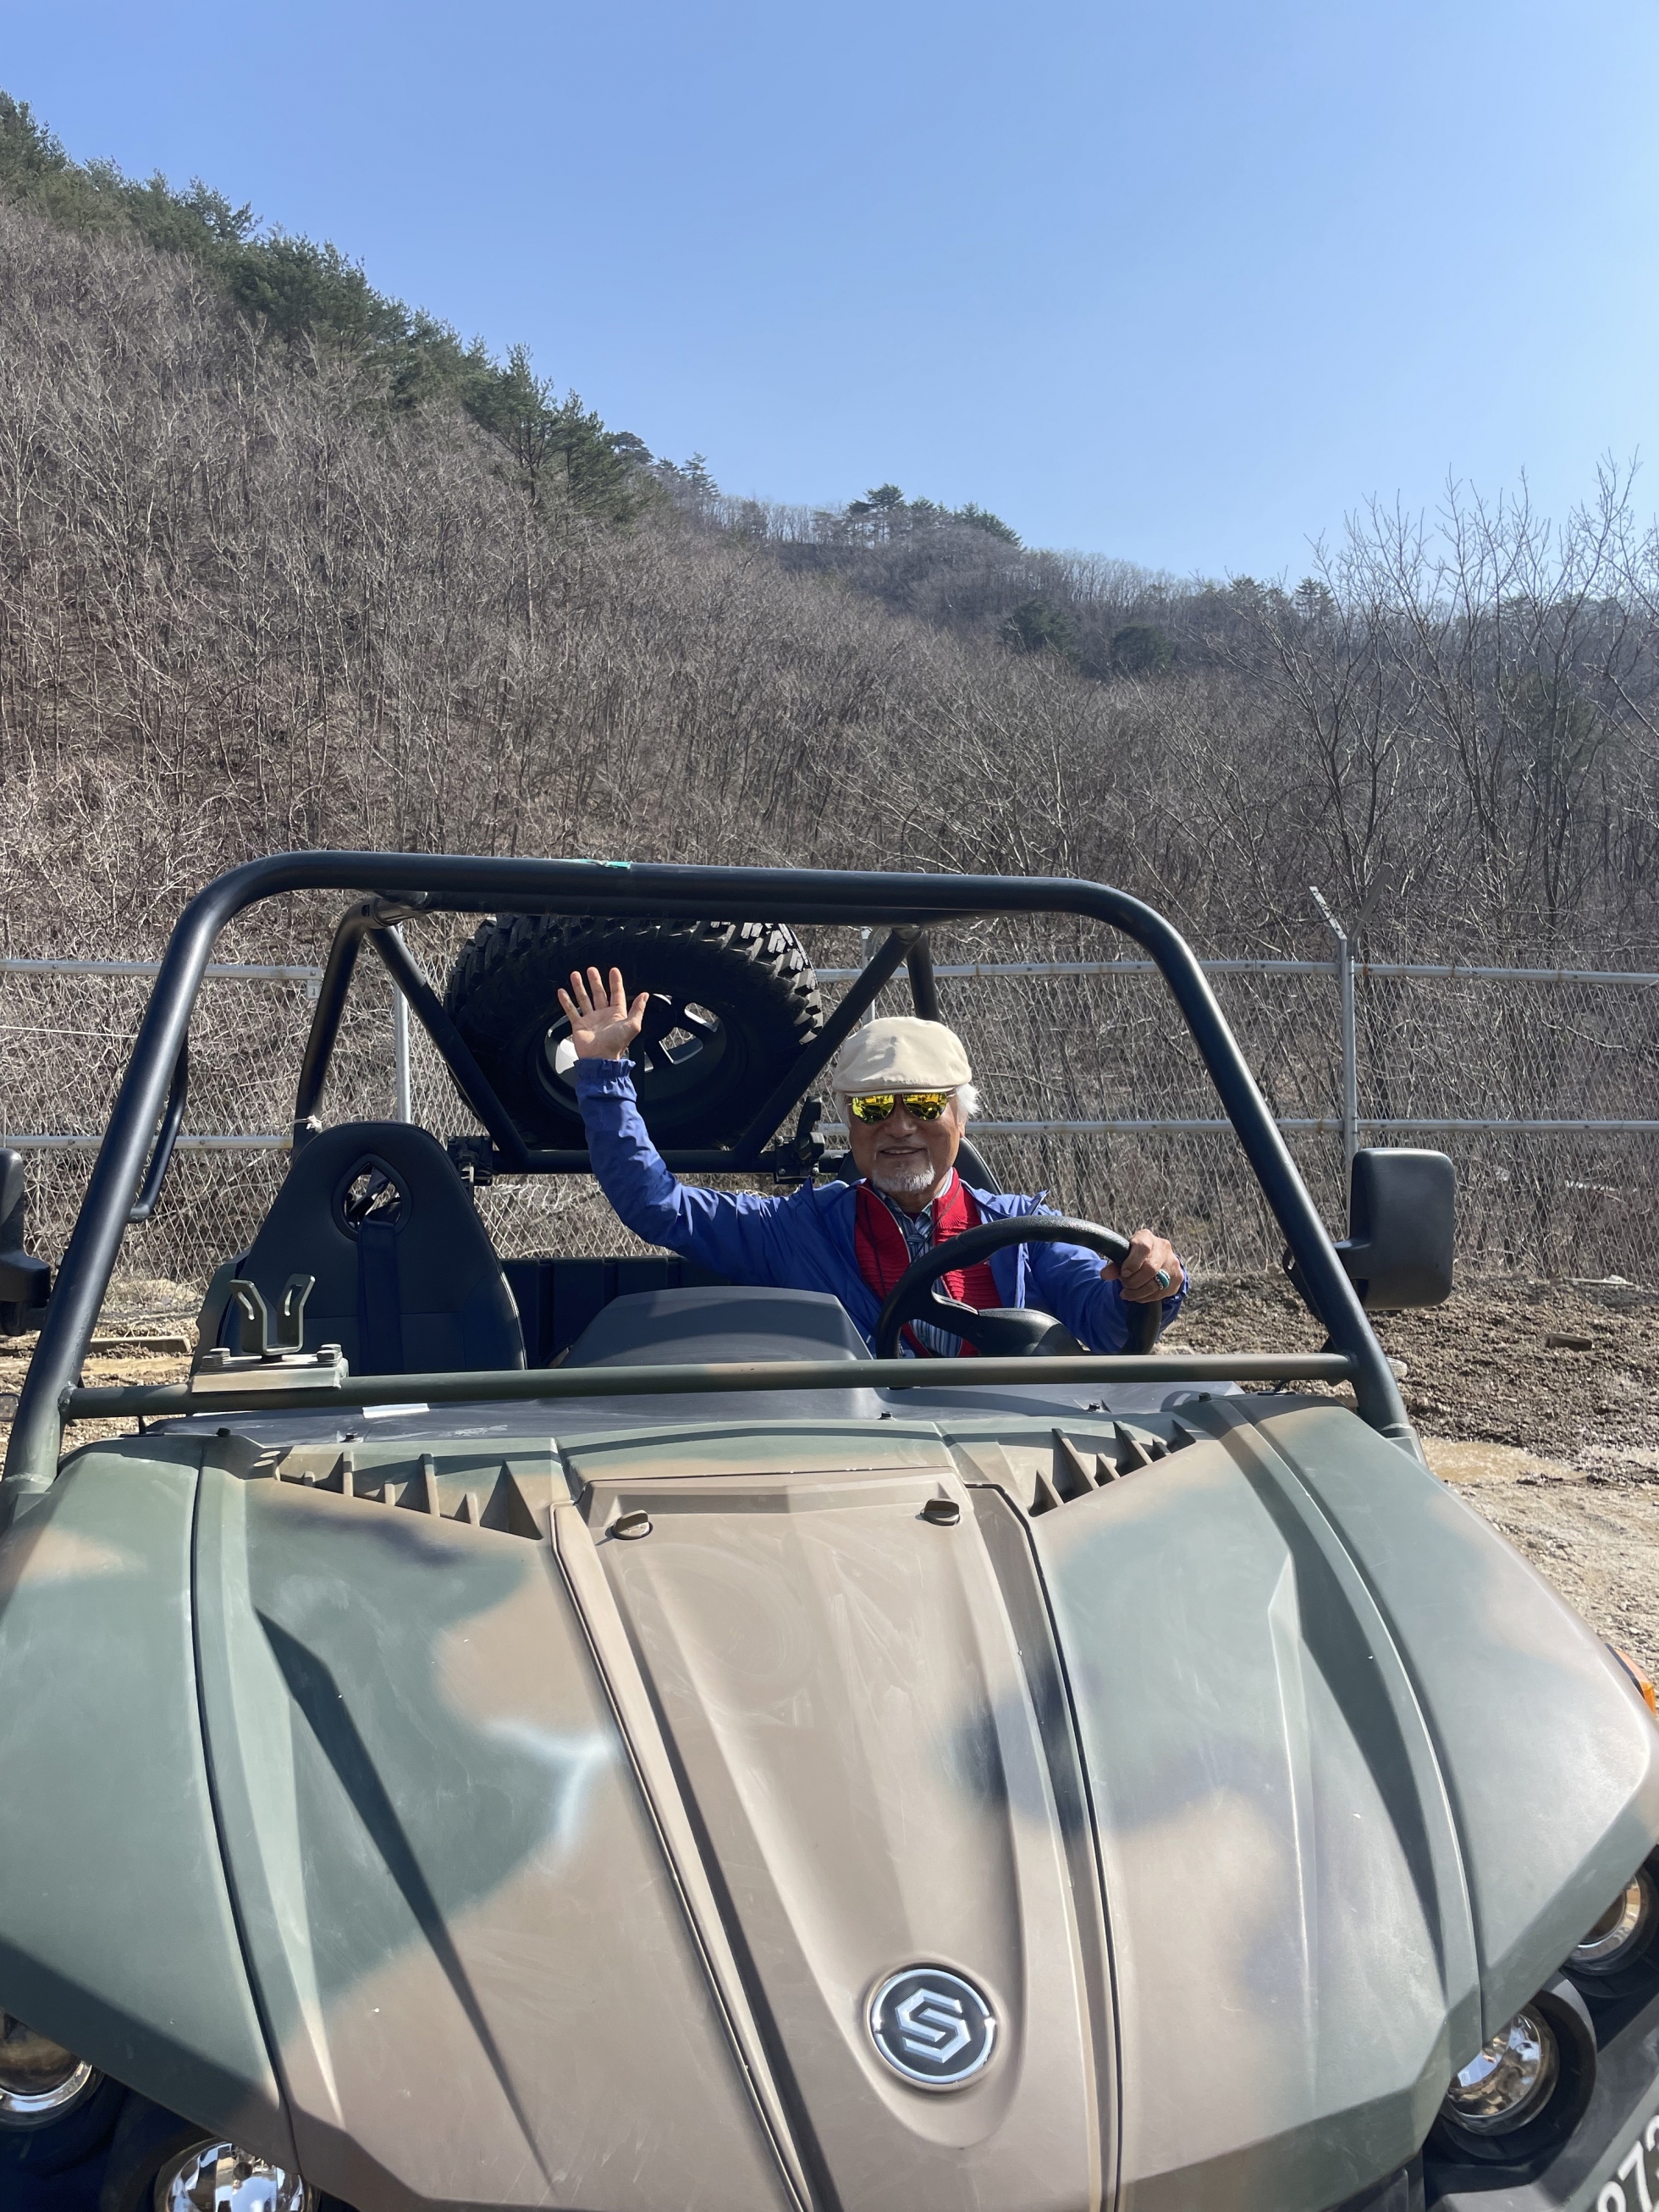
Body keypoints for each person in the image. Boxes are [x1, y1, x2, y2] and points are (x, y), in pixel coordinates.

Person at [558, 966, 1188, 1356]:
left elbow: (1109, 1324)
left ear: (961, 1118)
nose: (900, 1126)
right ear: (851, 1123)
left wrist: (1150, 1282)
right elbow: (658, 1205)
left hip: (1004, 1453)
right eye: (875, 1106)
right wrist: (605, 1072)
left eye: (924, 1103)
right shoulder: (797, 1229)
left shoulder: (1027, 1234)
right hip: (860, 1462)